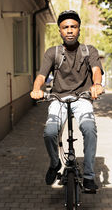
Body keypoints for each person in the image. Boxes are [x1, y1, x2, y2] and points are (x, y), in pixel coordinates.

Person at [30, 10, 103, 191]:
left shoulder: (89, 51)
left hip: (83, 98)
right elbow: (41, 75)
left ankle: (88, 175)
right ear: (60, 31)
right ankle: (55, 163)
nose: (70, 30)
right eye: (65, 27)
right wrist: (36, 89)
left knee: (89, 128)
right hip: (58, 98)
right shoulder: (52, 53)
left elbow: (96, 70)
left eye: (73, 26)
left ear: (79, 29)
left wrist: (96, 85)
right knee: (49, 132)